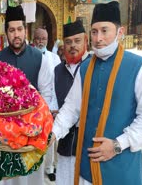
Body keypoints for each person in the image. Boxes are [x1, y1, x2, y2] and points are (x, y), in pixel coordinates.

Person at [50, 1, 142, 185]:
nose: (98, 38)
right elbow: (71, 110)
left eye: (105, 31)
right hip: (87, 169)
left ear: (120, 32)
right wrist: (51, 135)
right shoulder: (85, 68)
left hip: (122, 168)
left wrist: (117, 145)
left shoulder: (139, 67)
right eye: (94, 31)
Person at [0, 5, 55, 185]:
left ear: (25, 30)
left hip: (32, 130)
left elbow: (45, 93)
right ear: (6, 33)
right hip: (6, 131)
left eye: (20, 29)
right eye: (12, 30)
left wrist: (39, 122)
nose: (16, 34)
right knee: (9, 178)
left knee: (32, 176)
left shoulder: (39, 58)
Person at [54, 20, 88, 185]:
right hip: (65, 144)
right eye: (68, 42)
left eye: (77, 41)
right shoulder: (58, 70)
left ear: (86, 41)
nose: (72, 45)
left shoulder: (92, 67)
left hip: (88, 146)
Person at [33, 27, 60, 181]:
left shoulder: (54, 58)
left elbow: (56, 84)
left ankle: (50, 167)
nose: (41, 41)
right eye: (38, 38)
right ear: (33, 40)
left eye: (43, 38)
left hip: (50, 104)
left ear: (48, 40)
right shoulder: (30, 57)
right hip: (34, 105)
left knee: (50, 137)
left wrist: (54, 105)